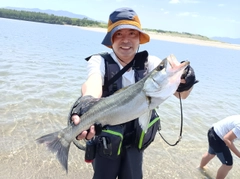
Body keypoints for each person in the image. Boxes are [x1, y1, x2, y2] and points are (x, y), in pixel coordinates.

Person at [71, 7, 198, 179]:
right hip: (106, 142)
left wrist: (186, 82)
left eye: (132, 33)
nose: (126, 40)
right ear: (111, 39)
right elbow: (92, 84)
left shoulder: (150, 63)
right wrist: (85, 103)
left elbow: (182, 95)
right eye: (119, 34)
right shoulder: (99, 61)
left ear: (139, 38)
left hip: (135, 144)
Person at [199, 115, 240, 179]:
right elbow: (226, 139)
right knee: (228, 165)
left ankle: (200, 168)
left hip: (213, 131)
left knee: (211, 154)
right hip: (218, 139)